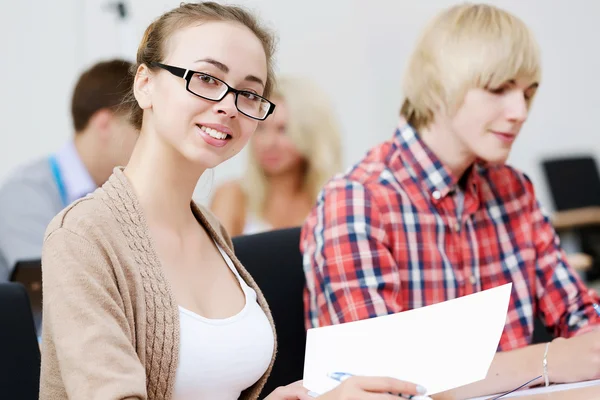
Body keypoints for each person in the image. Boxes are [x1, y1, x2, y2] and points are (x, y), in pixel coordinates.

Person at [39, 2, 427, 400]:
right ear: (145, 84)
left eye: (249, 93)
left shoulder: (212, 229)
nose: (228, 105)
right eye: (207, 78)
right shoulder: (82, 236)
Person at [301, 3, 600, 399]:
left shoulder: (514, 190)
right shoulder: (357, 201)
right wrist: (547, 360)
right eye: (498, 89)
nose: (520, 111)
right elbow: (381, 384)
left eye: (528, 92)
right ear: (439, 85)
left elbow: (583, 321)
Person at [0, 59, 138, 281]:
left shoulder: (126, 196)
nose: (148, 143)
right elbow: (50, 288)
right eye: (141, 129)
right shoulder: (23, 194)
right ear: (104, 124)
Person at [210, 76, 342, 236]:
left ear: (309, 135)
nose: (268, 142)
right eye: (261, 128)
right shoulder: (232, 197)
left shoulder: (333, 203)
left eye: (282, 129)